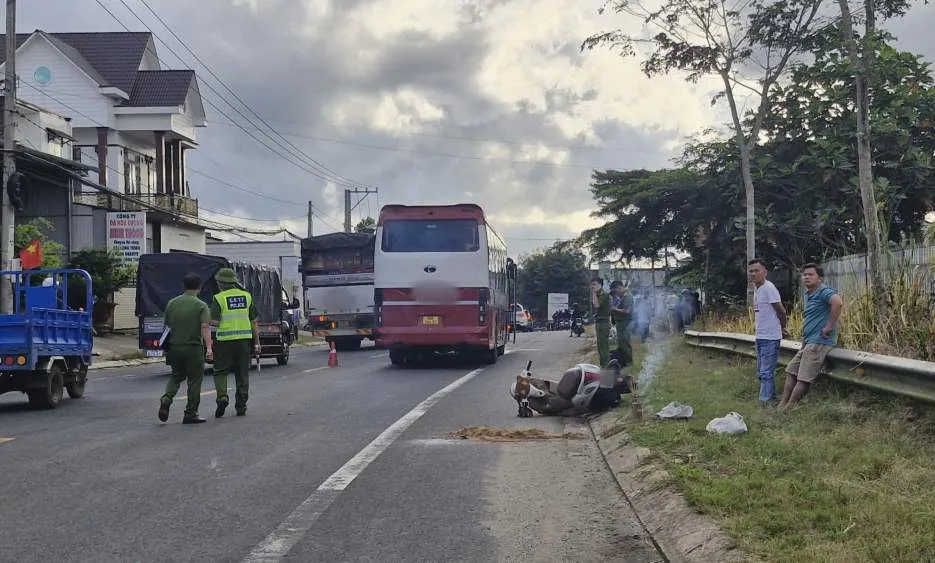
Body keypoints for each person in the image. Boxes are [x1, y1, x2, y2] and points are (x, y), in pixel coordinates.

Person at [779, 263, 844, 410]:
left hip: (819, 341)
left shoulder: (824, 292)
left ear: (819, 278)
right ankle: (782, 404)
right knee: (791, 370)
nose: (806, 277)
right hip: (809, 341)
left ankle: (789, 407)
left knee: (804, 377)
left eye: (810, 274)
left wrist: (828, 327)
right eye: (804, 275)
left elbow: (838, 303)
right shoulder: (808, 294)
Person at [158, 273, 213, 424]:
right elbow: (204, 326)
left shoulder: (172, 303)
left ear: (184, 286)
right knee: (195, 380)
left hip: (175, 347)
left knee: (176, 375)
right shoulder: (201, 305)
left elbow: (167, 325)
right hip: (193, 348)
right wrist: (209, 348)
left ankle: (166, 399)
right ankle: (190, 413)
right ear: (199, 287)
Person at [211, 268, 259, 418]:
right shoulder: (247, 297)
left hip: (224, 341)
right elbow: (254, 321)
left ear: (221, 283)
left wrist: (206, 317)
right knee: (242, 373)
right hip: (244, 340)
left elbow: (215, 322)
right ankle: (241, 406)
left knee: (220, 371)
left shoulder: (218, 298)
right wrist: (257, 341)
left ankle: (222, 397)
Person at [748, 259, 788, 406]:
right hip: (761, 335)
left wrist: (783, 327)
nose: (753, 274)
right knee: (762, 371)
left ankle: (765, 401)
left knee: (766, 371)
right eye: (751, 271)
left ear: (764, 272)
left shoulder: (769, 288)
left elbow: (781, 310)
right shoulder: (757, 289)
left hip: (770, 337)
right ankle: (770, 396)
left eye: (756, 270)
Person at [610, 280, 633, 369]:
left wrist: (615, 309)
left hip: (625, 323)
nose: (616, 293)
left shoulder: (628, 297)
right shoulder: (621, 296)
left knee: (625, 343)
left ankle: (628, 362)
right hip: (620, 323)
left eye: (616, 291)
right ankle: (623, 361)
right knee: (621, 343)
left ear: (619, 287)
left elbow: (627, 311)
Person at [591, 278, 611, 367]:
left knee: (603, 347)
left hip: (603, 323)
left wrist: (594, 293)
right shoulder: (599, 295)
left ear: (600, 285)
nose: (593, 286)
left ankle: (606, 365)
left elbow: (596, 305)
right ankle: (603, 365)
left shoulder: (604, 295)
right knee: (600, 346)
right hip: (599, 323)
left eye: (594, 284)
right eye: (592, 284)